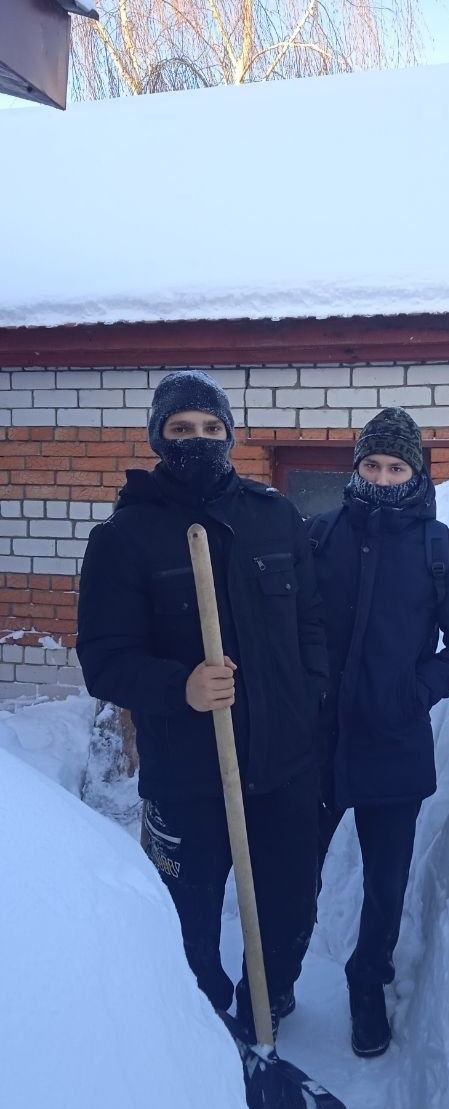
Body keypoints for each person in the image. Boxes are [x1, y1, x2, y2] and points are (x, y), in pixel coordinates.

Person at [77, 370, 327, 1039]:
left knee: (289, 905)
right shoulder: (125, 538)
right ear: (159, 437)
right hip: (188, 770)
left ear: (230, 436)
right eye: (181, 429)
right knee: (183, 910)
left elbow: (311, 626)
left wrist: (306, 699)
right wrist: (178, 686)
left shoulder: (273, 518)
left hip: (283, 764)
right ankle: (198, 1020)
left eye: (211, 428)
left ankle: (265, 1007)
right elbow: (103, 658)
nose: (198, 440)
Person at [308, 407, 449, 1058]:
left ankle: (368, 984)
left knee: (384, 882)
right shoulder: (317, 537)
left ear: (415, 473)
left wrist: (417, 690)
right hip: (317, 745)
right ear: (355, 468)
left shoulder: (441, 550)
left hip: (393, 744)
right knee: (292, 869)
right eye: (372, 465)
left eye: (396, 467)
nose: (383, 479)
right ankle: (274, 977)